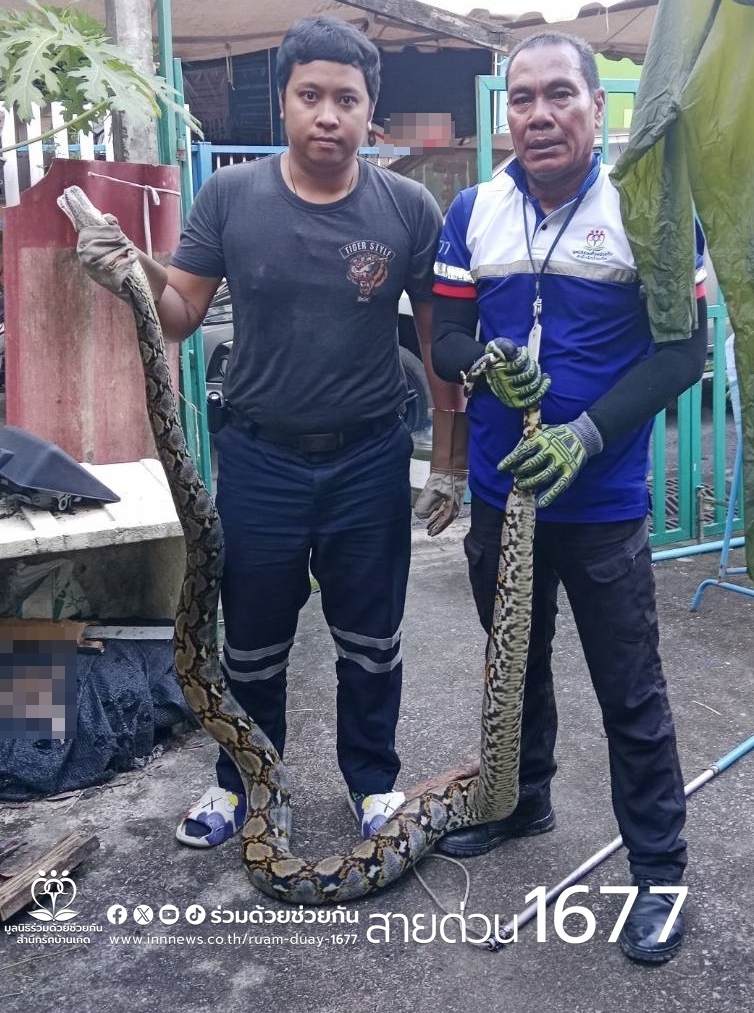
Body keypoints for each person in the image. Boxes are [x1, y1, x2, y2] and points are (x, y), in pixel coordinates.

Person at [77, 16, 443, 845]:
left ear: (370, 111)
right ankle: (242, 783)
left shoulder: (407, 207)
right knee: (251, 641)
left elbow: (434, 342)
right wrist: (129, 270)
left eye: (346, 99)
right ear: (283, 101)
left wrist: (448, 463)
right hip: (260, 460)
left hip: (368, 460)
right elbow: (180, 314)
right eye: (310, 95)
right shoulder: (231, 197)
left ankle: (373, 782)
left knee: (371, 639)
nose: (327, 114)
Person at [426, 32, 707, 964]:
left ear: (596, 105)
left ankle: (659, 873)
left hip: (602, 502)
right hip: (501, 494)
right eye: (522, 99)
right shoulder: (473, 209)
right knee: (516, 664)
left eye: (559, 95)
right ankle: (523, 800)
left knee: (630, 692)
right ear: (505, 112)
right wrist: (484, 360)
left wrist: (585, 434)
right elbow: (445, 340)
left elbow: (683, 352)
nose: (539, 115)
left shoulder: (646, 211)